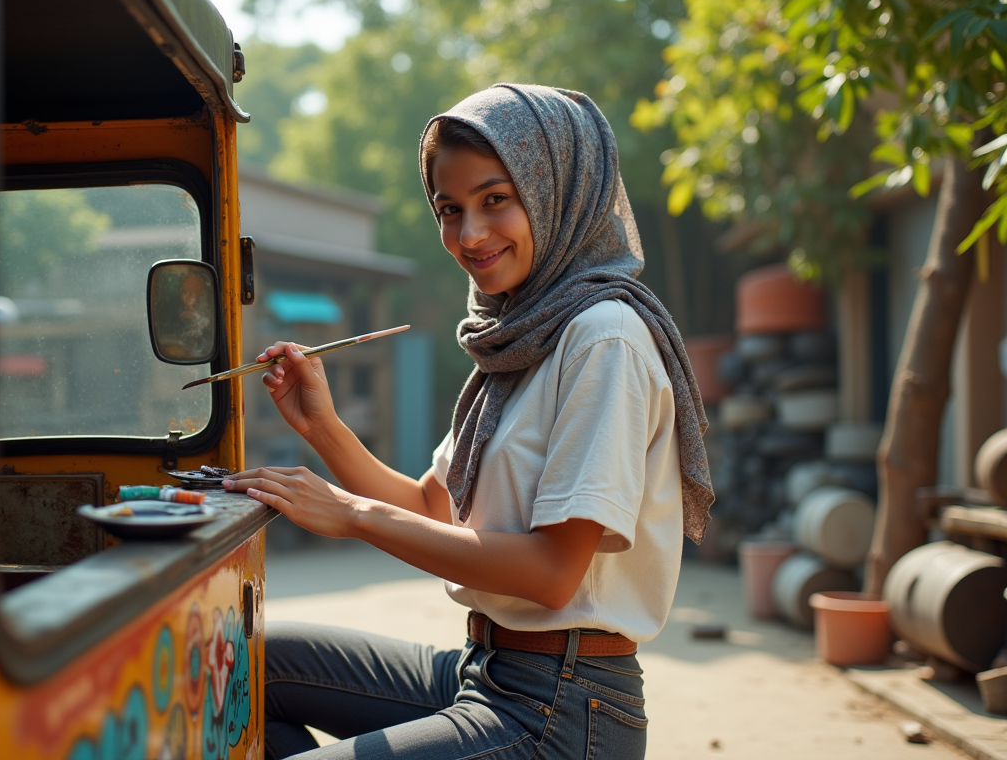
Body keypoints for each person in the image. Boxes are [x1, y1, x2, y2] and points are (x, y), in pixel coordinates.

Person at [222, 83, 714, 760]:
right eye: (449, 210)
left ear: (556, 191)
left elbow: (550, 573)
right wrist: (322, 427)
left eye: (495, 200)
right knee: (254, 662)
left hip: (564, 706)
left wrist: (353, 515)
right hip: (485, 671)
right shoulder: (520, 334)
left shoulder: (604, 337)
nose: (469, 235)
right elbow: (435, 504)